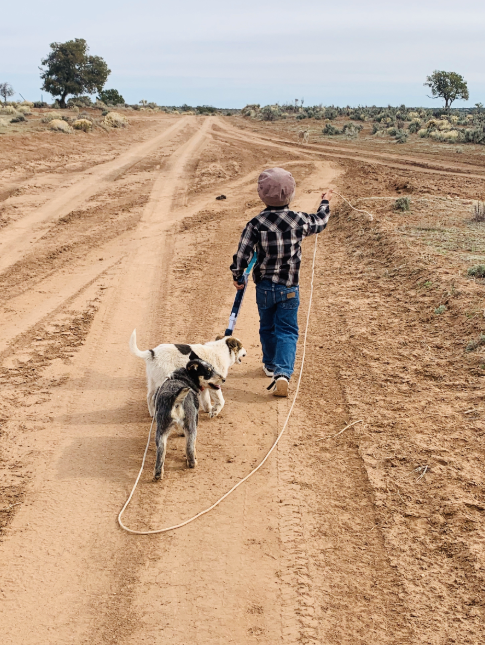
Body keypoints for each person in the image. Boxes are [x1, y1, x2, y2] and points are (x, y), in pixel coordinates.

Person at [230, 167, 332, 397]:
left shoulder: (255, 224)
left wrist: (237, 275)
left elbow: (242, 253)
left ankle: (269, 364)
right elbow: (321, 221)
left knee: (267, 326)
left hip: (264, 287)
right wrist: (324, 202)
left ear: (261, 194)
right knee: (287, 330)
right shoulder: (299, 220)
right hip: (289, 288)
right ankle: (283, 373)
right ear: (291, 194)